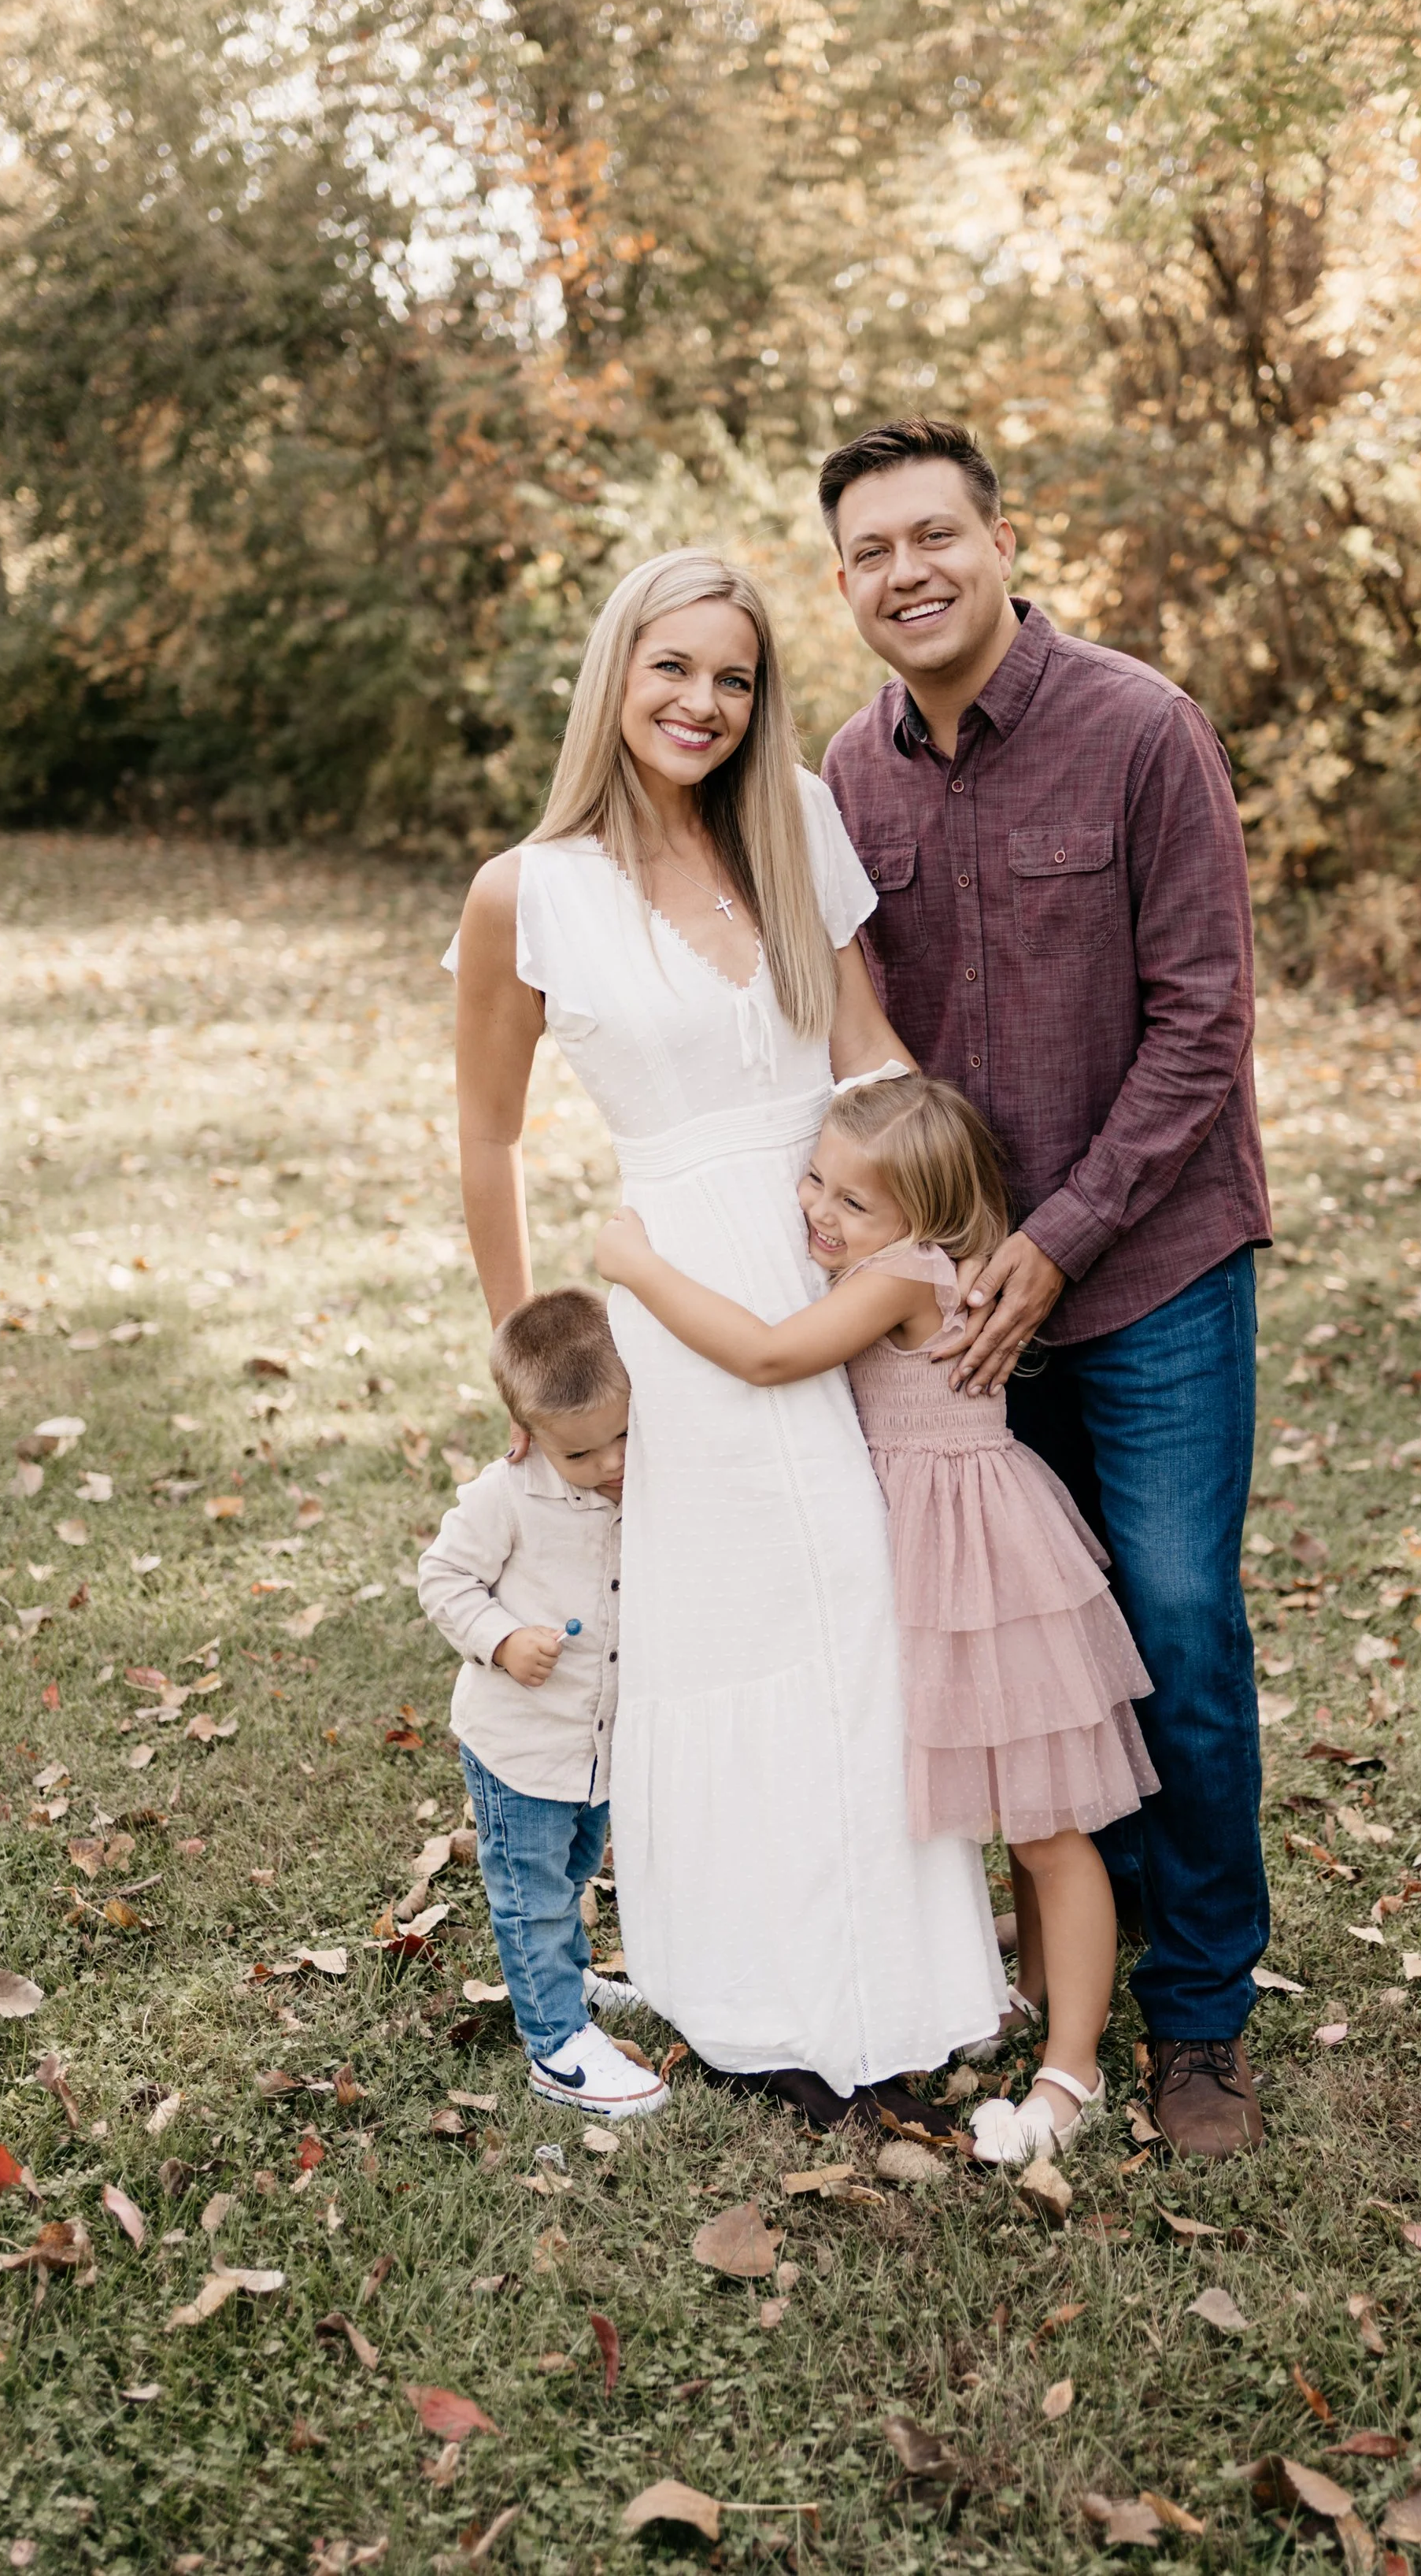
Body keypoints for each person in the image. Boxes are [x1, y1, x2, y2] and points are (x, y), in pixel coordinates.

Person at [446, 546, 1005, 2124]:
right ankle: (754, 2000)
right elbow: (486, 1141)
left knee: (859, 1615)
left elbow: (870, 1055)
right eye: (670, 666)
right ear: (614, 674)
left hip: (828, 1255)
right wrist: (524, 1357)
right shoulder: (524, 892)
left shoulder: (791, 833)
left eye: (734, 676)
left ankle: (887, 1989)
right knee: (721, 1638)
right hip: (678, 1296)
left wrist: (932, 1241)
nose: (702, 701)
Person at [819, 417, 1275, 2159]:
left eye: (934, 534)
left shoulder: (1141, 731)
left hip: (1145, 1267)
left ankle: (1202, 2015)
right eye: (871, 551)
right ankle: (1057, 1953)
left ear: (1002, 540)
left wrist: (1059, 1236)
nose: (906, 572)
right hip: (954, 1325)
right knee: (1027, 1655)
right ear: (844, 582)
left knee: (1167, 1630)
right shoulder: (846, 785)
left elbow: (1199, 1031)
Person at [595, 1070, 1157, 2165]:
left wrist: (640, 1267)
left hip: (977, 1562)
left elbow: (768, 1355)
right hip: (927, 1552)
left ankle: (1071, 2067)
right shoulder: (888, 1255)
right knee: (1003, 1806)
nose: (817, 1210)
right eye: (814, 1179)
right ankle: (1031, 1985)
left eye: (854, 1201)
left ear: (925, 1221)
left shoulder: (903, 1276)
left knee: (1045, 1821)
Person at [416, 1287, 666, 2123]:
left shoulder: (641, 1471)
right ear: (526, 1435)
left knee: (572, 1869)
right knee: (530, 1889)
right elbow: (444, 1577)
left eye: (623, 1436)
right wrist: (498, 1636)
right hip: (519, 1744)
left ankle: (573, 1973)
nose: (610, 1465)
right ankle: (556, 2042)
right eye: (582, 1454)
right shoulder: (508, 1493)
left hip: (592, 1745)